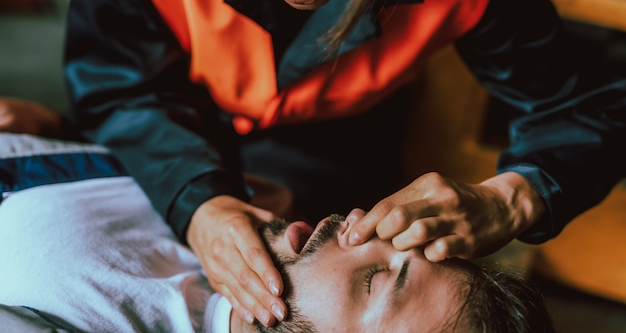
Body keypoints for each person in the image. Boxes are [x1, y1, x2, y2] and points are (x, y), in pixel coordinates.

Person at [7, 0, 626, 327]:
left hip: (336, 137)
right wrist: (196, 201)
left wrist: (513, 200)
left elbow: (586, 103)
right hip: (168, 115)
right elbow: (118, 82)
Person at [0, 133, 555, 332]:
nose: (364, 227)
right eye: (404, 240)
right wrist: (53, 132)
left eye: (381, 280)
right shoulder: (263, 205)